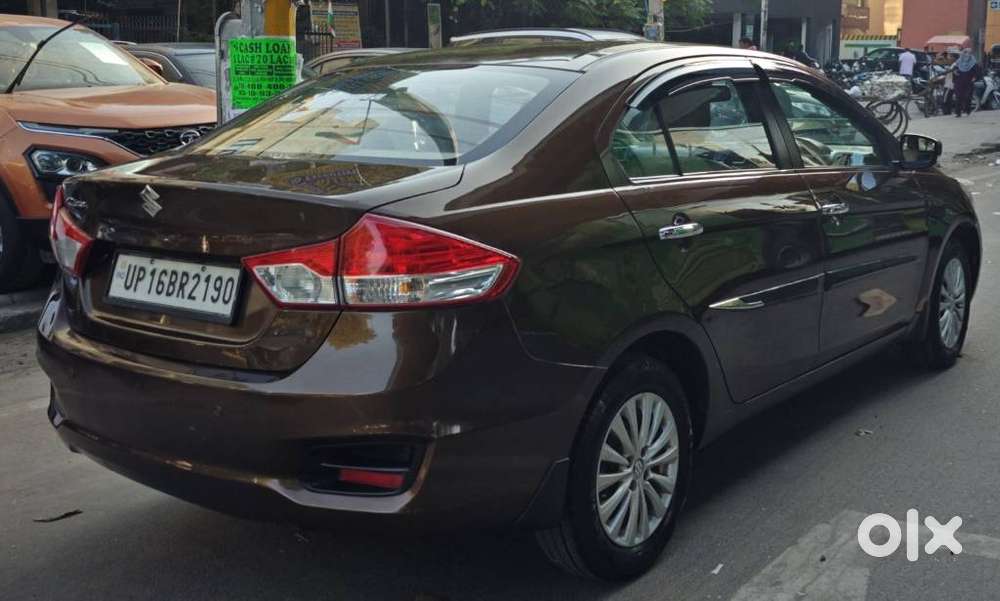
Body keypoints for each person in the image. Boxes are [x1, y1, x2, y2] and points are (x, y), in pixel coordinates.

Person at [952, 48, 980, 117]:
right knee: (958, 96)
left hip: (969, 82)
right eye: (965, 52)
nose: (967, 54)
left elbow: (977, 72)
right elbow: (954, 69)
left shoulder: (973, 62)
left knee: (967, 96)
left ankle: (967, 110)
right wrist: (955, 72)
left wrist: (975, 78)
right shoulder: (959, 61)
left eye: (969, 53)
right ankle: (958, 113)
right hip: (959, 81)